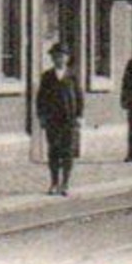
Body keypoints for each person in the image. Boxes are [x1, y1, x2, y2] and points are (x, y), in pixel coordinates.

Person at [35, 42, 82, 196]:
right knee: (54, 151)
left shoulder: (73, 76)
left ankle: (65, 184)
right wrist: (41, 116)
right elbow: (40, 98)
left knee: (68, 152)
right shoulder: (47, 76)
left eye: (62, 56)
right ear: (52, 59)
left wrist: (79, 116)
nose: (59, 59)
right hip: (52, 120)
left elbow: (79, 97)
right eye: (56, 56)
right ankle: (54, 182)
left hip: (69, 119)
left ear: (67, 58)